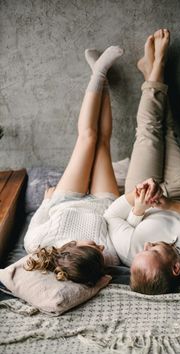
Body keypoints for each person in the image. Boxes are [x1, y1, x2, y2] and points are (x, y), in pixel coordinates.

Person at [104, 29, 180, 295]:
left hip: (142, 194)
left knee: (149, 131)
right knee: (169, 132)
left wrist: (137, 204)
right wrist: (169, 203)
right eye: (154, 250)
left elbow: (111, 216)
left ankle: (156, 65)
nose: (146, 245)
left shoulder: (134, 254)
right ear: (176, 268)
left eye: (144, 249)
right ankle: (149, 72)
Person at [24, 45, 124, 286]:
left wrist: (47, 201)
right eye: (101, 250)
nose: (102, 246)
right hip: (103, 204)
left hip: (65, 201)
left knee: (88, 137)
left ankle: (98, 73)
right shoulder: (107, 258)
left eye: (93, 246)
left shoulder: (37, 243)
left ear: (71, 247)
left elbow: (38, 218)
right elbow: (116, 224)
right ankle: (101, 77)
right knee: (102, 143)